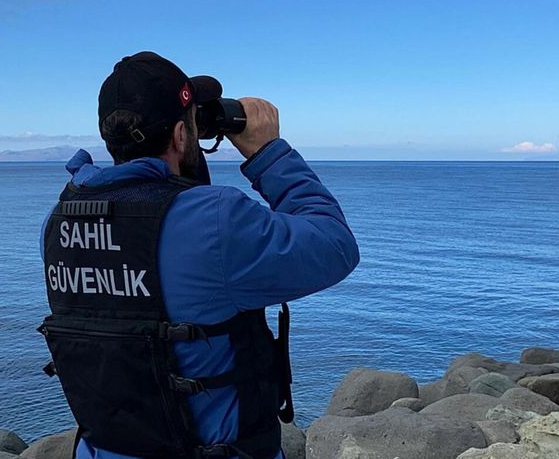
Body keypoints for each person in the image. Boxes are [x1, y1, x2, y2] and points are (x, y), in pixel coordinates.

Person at [39, 51, 360, 459]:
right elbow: (335, 245)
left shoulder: (60, 219)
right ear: (178, 135)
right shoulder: (213, 221)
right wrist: (269, 152)